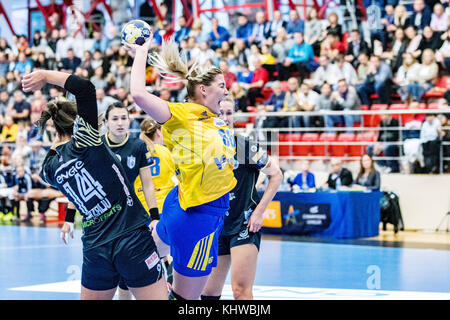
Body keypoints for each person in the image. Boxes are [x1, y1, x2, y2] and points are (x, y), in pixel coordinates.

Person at [21, 70, 167, 300]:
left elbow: (50, 158)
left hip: (95, 247)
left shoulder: (49, 169)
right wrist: (44, 75)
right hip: (131, 237)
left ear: (55, 130)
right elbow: (85, 87)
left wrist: (56, 134)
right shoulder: (85, 141)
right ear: (76, 122)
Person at [125, 36, 237, 300]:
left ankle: (139, 275)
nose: (227, 91)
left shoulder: (215, 120)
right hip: (197, 216)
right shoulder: (181, 115)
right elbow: (139, 95)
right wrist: (142, 52)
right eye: (222, 86)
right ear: (203, 90)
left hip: (192, 204)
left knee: (152, 255)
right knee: (186, 300)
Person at [201, 97, 283, 300]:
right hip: (215, 225)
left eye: (229, 113)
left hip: (243, 225)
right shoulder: (203, 148)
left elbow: (277, 174)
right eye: (220, 112)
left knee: (240, 291)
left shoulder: (244, 146)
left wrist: (259, 211)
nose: (225, 117)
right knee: (207, 292)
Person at [99, 102, 161, 300]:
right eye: (115, 119)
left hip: (131, 218)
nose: (120, 123)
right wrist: (69, 217)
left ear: (129, 120)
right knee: (110, 273)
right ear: (106, 122)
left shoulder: (138, 146)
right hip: (104, 220)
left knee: (131, 271)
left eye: (123, 118)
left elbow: (148, 184)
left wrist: (154, 216)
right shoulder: (97, 146)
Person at [138, 118, 177, 286]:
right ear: (158, 133)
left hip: (143, 207)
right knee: (168, 247)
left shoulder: (138, 152)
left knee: (149, 250)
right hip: (165, 207)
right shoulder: (166, 152)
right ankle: (170, 278)